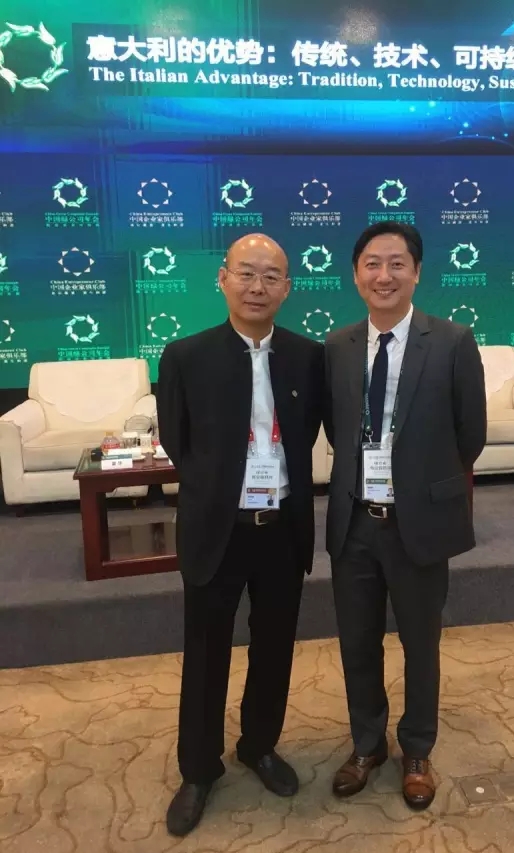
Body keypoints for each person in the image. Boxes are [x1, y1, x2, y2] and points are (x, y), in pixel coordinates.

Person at [157, 234, 323, 837]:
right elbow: (178, 441)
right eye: (246, 273)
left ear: (288, 288)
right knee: (205, 652)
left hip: (280, 526)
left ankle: (259, 745)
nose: (258, 287)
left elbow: (304, 435)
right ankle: (199, 768)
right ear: (222, 279)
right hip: (217, 528)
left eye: (272, 276)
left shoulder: (307, 356)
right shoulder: (185, 356)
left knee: (274, 647)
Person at [324, 221, 486, 810]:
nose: (384, 275)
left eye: (397, 263)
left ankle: (417, 750)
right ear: (356, 274)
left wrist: (420, 482)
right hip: (354, 522)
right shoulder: (337, 346)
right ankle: (367, 745)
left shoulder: (452, 341)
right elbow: (338, 429)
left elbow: (471, 434)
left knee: (421, 644)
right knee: (357, 643)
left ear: (417, 272)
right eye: (372, 263)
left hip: (420, 521)